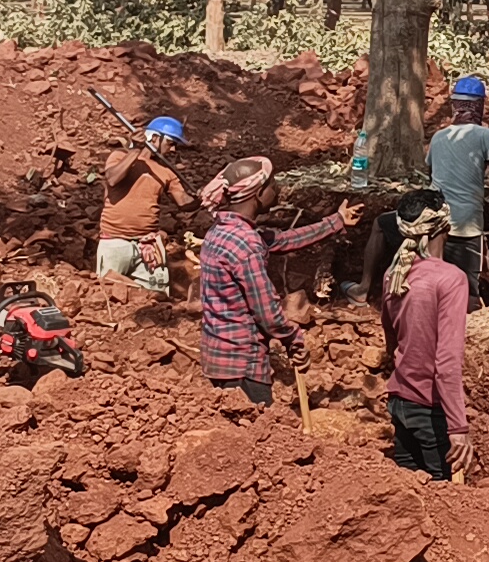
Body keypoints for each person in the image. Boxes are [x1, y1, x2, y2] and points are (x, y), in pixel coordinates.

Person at [197, 156, 363, 405]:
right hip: (244, 362)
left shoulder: (220, 230)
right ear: (259, 193)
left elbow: (284, 240)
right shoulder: (246, 245)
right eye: (273, 185)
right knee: (256, 431)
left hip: (217, 356)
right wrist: (293, 339)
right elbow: (267, 311)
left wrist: (336, 221)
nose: (277, 190)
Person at [379, 190, 472, 482]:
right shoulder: (451, 279)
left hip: (400, 403)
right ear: (445, 225)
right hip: (430, 412)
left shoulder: (394, 274)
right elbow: (446, 363)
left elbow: (390, 337)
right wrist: (457, 428)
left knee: (410, 499)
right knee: (445, 505)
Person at [426, 76, 489, 306]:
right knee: (468, 293)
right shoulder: (485, 136)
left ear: (454, 105)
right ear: (480, 107)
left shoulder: (438, 137)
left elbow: (432, 176)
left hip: (436, 222)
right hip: (467, 226)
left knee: (435, 285)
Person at [96, 116, 193, 294]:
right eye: (170, 143)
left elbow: (183, 202)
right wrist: (135, 151)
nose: (172, 149)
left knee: (157, 298)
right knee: (109, 296)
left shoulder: (165, 172)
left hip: (148, 244)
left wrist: (203, 198)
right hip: (115, 243)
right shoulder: (120, 156)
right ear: (154, 138)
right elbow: (112, 178)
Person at [348, 190, 447, 309]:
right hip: (455, 219)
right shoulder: (457, 278)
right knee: (382, 222)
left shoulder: (388, 277)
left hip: (441, 217)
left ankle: (363, 289)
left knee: (382, 222)